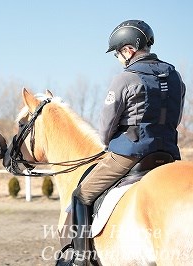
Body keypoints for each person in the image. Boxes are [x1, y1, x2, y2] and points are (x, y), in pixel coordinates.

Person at [58, 20, 186, 266]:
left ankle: (80, 258)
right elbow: (176, 117)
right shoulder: (175, 76)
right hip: (168, 155)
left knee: (81, 194)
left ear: (128, 50)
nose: (118, 58)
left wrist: (110, 142)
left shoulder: (125, 79)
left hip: (130, 155)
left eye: (118, 53)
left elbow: (106, 126)